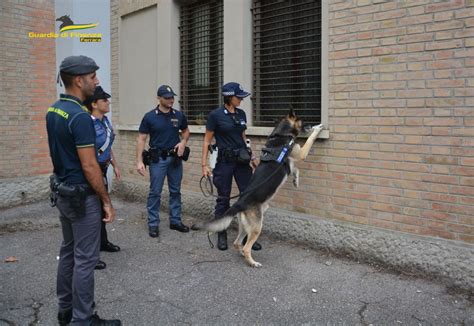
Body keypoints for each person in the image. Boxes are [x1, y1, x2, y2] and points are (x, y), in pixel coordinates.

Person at [46, 55, 121, 325]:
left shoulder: (54, 109)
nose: (97, 81)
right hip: (81, 196)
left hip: (63, 192)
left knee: (68, 251)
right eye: (93, 77)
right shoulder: (79, 116)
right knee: (85, 259)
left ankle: (65, 311)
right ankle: (83, 319)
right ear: (79, 80)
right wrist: (106, 201)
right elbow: (90, 167)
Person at [201, 82, 262, 251]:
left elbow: (243, 137)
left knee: (248, 197)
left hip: (242, 162)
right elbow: (207, 141)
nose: (242, 99)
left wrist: (252, 156)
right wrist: (204, 164)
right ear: (229, 96)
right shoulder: (215, 115)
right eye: (239, 96)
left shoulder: (241, 113)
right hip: (225, 162)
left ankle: (247, 237)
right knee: (224, 198)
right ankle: (222, 232)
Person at [136, 85, 190, 238]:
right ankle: (153, 223)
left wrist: (183, 142)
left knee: (175, 191)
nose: (171, 100)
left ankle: (175, 221)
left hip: (175, 160)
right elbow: (141, 138)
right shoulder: (149, 117)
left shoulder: (179, 115)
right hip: (157, 159)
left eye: (172, 97)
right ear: (159, 98)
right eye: (167, 97)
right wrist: (139, 160)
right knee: (155, 192)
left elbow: (186, 131)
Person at [84, 86, 121, 271]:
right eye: (104, 100)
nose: (108, 102)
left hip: (104, 168)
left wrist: (114, 165)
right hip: (93, 170)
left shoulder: (105, 121)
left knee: (100, 209)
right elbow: (87, 153)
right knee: (93, 211)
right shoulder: (87, 123)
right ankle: (91, 254)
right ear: (94, 104)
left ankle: (103, 242)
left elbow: (107, 146)